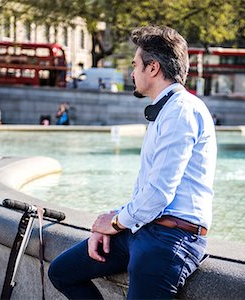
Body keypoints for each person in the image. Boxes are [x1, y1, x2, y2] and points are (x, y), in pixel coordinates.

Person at [48, 25, 217, 299]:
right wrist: (110, 221)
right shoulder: (167, 111)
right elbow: (148, 193)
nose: (131, 72)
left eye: (135, 65)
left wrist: (114, 224)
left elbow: (159, 194)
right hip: (146, 229)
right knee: (62, 271)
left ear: (153, 68)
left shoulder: (180, 112)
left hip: (172, 238)